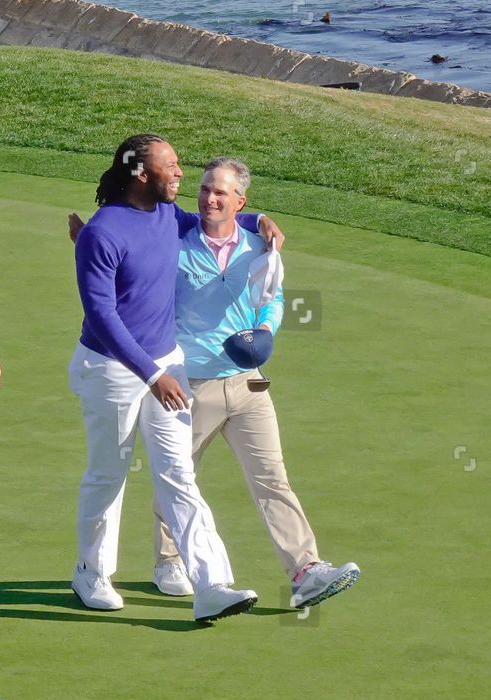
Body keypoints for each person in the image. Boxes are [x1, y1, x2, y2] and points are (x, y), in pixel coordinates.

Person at [69, 133, 280, 625]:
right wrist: (151, 373)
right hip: (111, 369)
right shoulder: (103, 233)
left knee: (178, 474)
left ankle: (211, 584)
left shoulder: (167, 215)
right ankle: (90, 571)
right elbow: (101, 315)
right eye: (172, 165)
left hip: (167, 363)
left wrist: (256, 220)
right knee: (109, 473)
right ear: (142, 173)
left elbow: (211, 222)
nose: (181, 174)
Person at [149, 157, 360, 609]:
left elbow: (273, 298)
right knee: (178, 477)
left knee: (271, 479)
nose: (209, 197)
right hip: (190, 382)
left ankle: (305, 571)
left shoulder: (258, 248)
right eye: (205, 189)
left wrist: (265, 331)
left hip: (248, 386)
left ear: (239, 201)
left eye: (221, 192)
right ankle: (170, 560)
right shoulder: (176, 244)